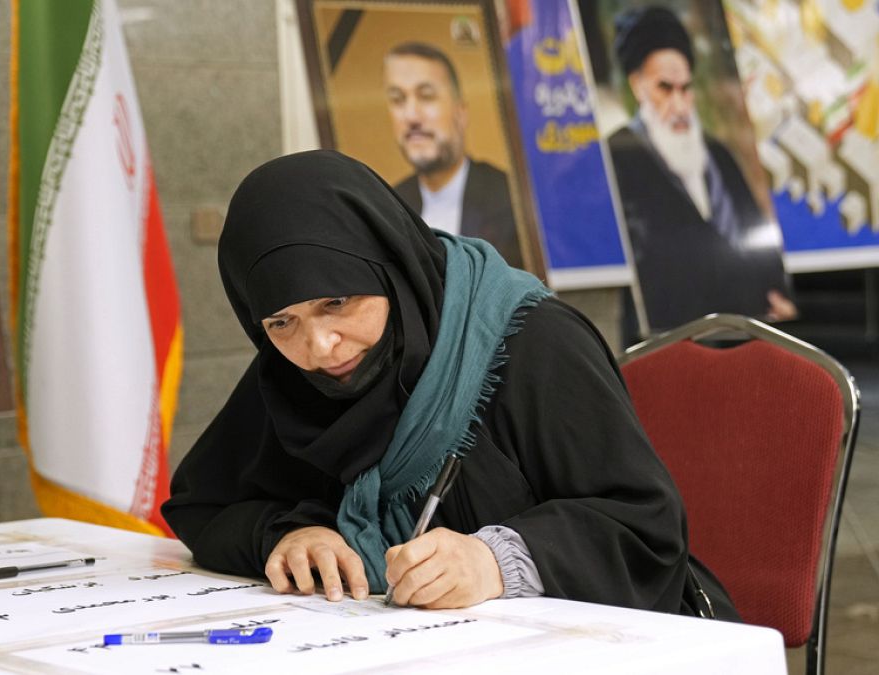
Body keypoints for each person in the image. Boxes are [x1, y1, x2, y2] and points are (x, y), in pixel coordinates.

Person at [162, 150, 737, 618]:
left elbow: (644, 524)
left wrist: (495, 562)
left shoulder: (534, 342)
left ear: (388, 266)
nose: (319, 346)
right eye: (281, 322)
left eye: (337, 302)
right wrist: (287, 535)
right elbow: (204, 504)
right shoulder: (297, 372)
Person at [607, 6, 794, 335]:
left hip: (750, 332)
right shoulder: (617, 159)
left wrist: (779, 295)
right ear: (638, 86)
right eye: (665, 88)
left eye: (686, 88)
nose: (679, 105)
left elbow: (757, 236)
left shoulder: (717, 154)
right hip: (671, 341)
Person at [382, 42, 523, 269]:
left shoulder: (511, 198)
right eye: (398, 99)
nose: (411, 116)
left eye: (426, 96)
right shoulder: (387, 209)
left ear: (461, 113)